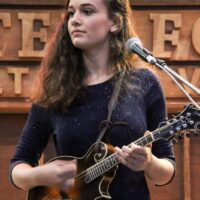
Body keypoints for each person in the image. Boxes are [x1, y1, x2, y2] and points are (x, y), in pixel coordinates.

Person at [9, 0, 176, 199]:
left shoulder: (145, 83)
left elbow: (166, 171)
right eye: (71, 13)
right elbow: (19, 166)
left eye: (87, 11)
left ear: (114, 22)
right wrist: (42, 175)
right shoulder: (54, 89)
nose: (74, 21)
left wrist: (149, 163)